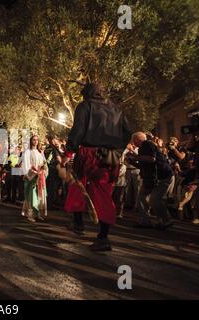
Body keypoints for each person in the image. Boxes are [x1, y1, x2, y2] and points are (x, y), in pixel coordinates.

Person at [62, 83, 131, 251]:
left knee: (77, 184)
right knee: (104, 194)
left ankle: (78, 222)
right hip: (110, 155)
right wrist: (118, 150)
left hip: (89, 151)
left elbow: (78, 130)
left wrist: (69, 152)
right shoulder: (117, 109)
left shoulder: (85, 106)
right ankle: (103, 238)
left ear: (88, 93)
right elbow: (127, 133)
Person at [129, 132, 174, 230]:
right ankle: (145, 221)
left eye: (133, 140)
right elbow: (144, 165)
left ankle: (166, 220)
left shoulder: (147, 144)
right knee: (142, 196)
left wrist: (135, 157)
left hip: (163, 176)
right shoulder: (142, 148)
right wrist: (131, 161)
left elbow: (152, 159)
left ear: (138, 139)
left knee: (155, 199)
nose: (133, 143)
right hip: (152, 178)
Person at [22, 135, 48, 222]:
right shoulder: (27, 152)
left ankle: (38, 214)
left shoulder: (39, 152)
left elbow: (43, 164)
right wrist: (31, 173)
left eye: (37, 140)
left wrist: (42, 170)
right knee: (31, 196)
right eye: (34, 140)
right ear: (31, 141)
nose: (35, 141)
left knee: (39, 196)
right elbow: (26, 165)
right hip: (31, 177)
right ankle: (30, 214)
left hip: (39, 177)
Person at [44, 135, 63, 209]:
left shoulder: (47, 148)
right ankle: (51, 204)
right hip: (53, 169)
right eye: (56, 140)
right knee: (53, 187)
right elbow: (59, 159)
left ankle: (48, 203)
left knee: (48, 187)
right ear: (53, 140)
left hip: (47, 169)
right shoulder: (53, 149)